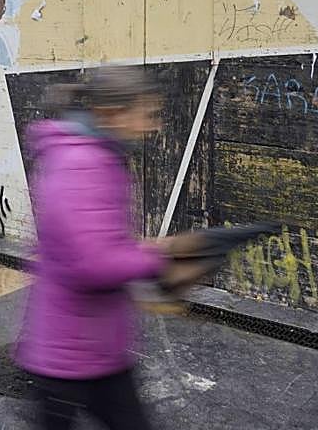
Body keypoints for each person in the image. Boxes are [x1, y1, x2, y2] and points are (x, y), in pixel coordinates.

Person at [15, 65, 199, 430]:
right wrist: (161, 255)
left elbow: (94, 242)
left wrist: (144, 250)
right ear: (114, 113)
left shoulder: (97, 154)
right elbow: (92, 262)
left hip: (93, 343)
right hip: (67, 353)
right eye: (147, 114)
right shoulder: (81, 163)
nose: (154, 125)